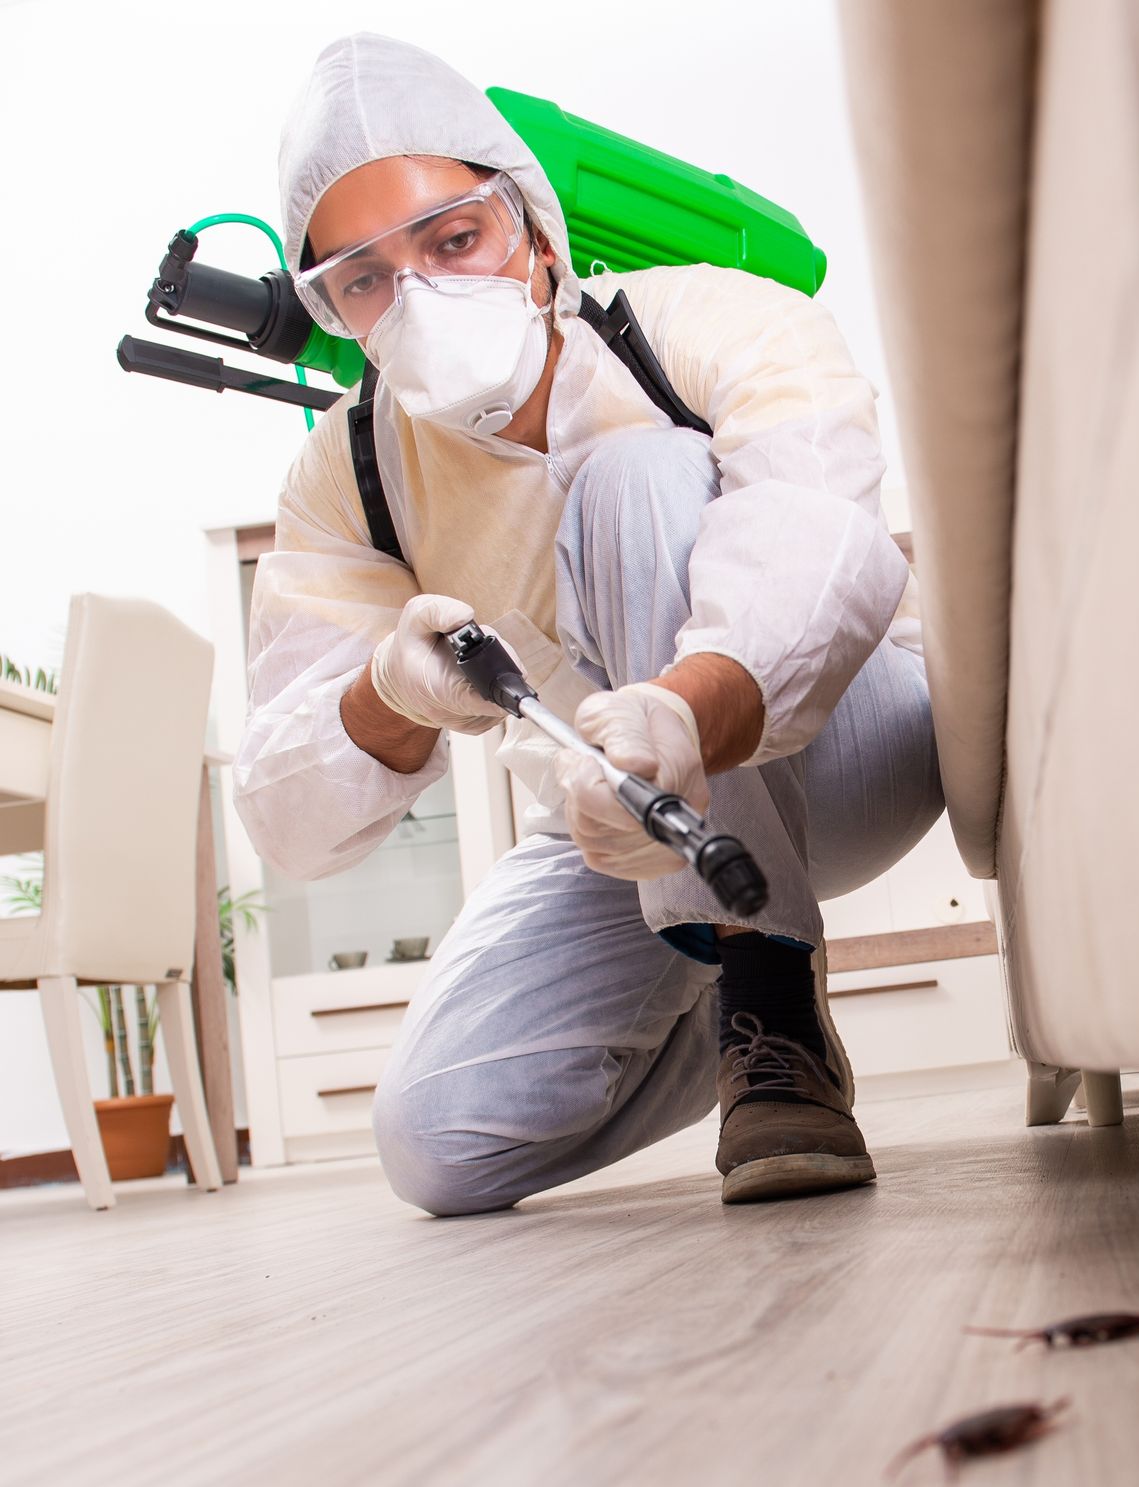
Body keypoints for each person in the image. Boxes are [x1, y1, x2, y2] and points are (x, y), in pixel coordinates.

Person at [232, 32, 942, 1212]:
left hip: (847, 747)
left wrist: (684, 707)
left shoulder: (713, 319)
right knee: (439, 1143)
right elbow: (286, 810)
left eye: (455, 239)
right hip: (619, 818)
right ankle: (726, 1016)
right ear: (331, 306)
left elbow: (825, 543)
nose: (419, 296)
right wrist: (387, 695)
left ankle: (770, 1004)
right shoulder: (350, 471)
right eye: (364, 277)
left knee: (640, 478)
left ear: (531, 221)